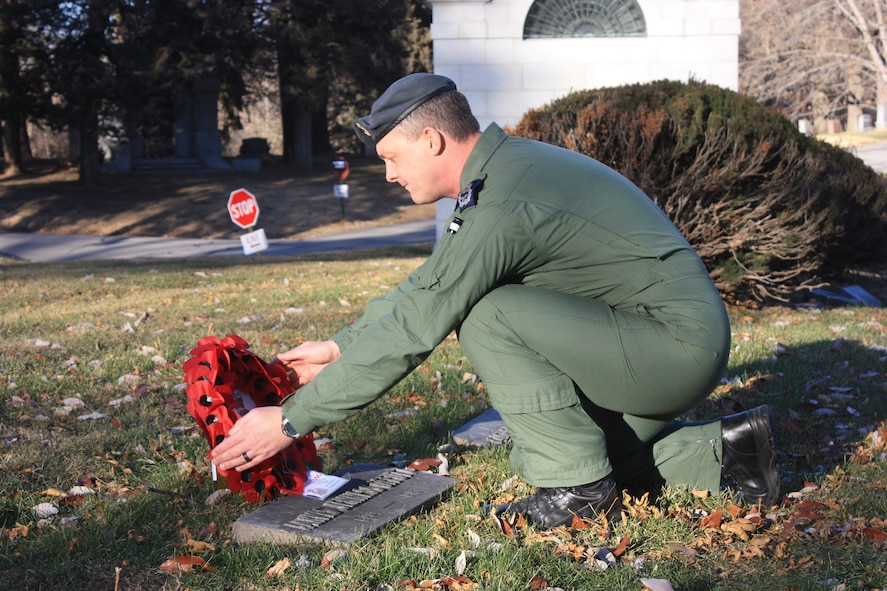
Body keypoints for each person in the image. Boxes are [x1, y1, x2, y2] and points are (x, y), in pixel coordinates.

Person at [211, 73, 780, 527]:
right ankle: (729, 454)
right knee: (540, 448)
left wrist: (288, 421)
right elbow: (426, 287)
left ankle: (576, 492)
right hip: (658, 343)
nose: (387, 175)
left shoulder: (503, 201)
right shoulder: (505, 174)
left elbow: (421, 325)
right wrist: (339, 347)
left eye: (391, 157)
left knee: (485, 313)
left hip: (671, 349)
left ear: (431, 140)